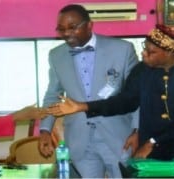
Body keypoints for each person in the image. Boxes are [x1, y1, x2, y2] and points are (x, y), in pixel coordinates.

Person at [48, 24, 174, 164]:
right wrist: (83, 106)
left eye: (151, 52)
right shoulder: (142, 71)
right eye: (144, 48)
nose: (143, 54)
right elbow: (125, 102)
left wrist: (152, 142)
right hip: (158, 152)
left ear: (169, 52)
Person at [38, 4, 140, 178]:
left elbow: (137, 94)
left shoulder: (122, 49)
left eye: (72, 27)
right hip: (80, 138)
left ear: (89, 25)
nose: (66, 33)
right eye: (61, 29)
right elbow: (52, 96)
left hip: (118, 136)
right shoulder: (56, 55)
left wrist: (137, 130)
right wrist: (45, 130)